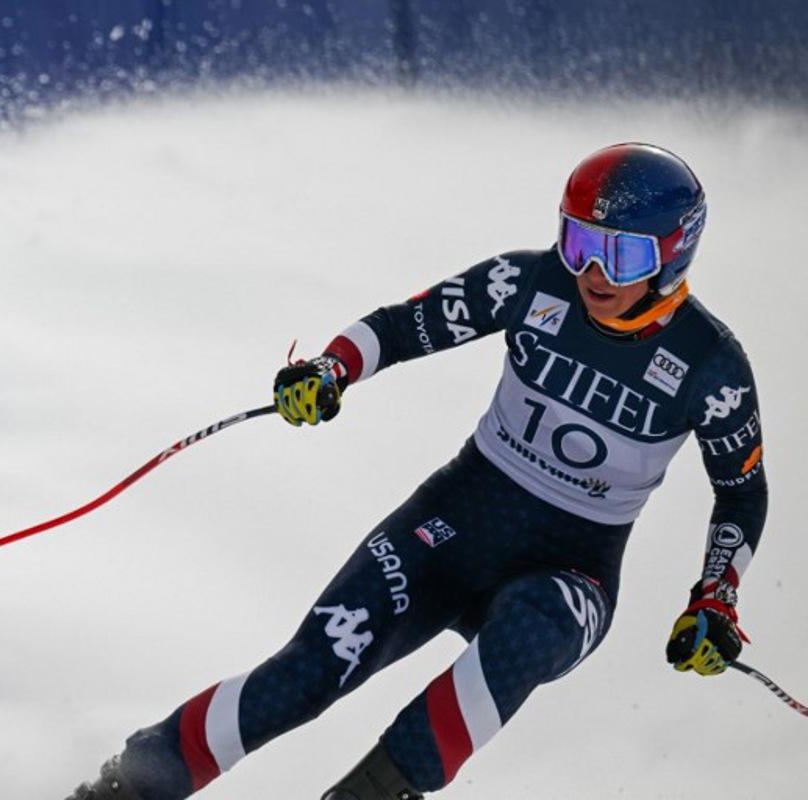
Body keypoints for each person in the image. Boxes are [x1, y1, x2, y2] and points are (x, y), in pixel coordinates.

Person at [66, 143, 767, 799]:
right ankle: (124, 789)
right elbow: (403, 325)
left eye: (620, 255)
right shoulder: (528, 281)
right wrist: (331, 369)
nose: (592, 274)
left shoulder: (712, 367)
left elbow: (741, 495)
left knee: (527, 631)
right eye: (579, 242)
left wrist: (716, 599)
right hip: (456, 522)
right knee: (309, 672)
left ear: (674, 253)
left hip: (573, 570)